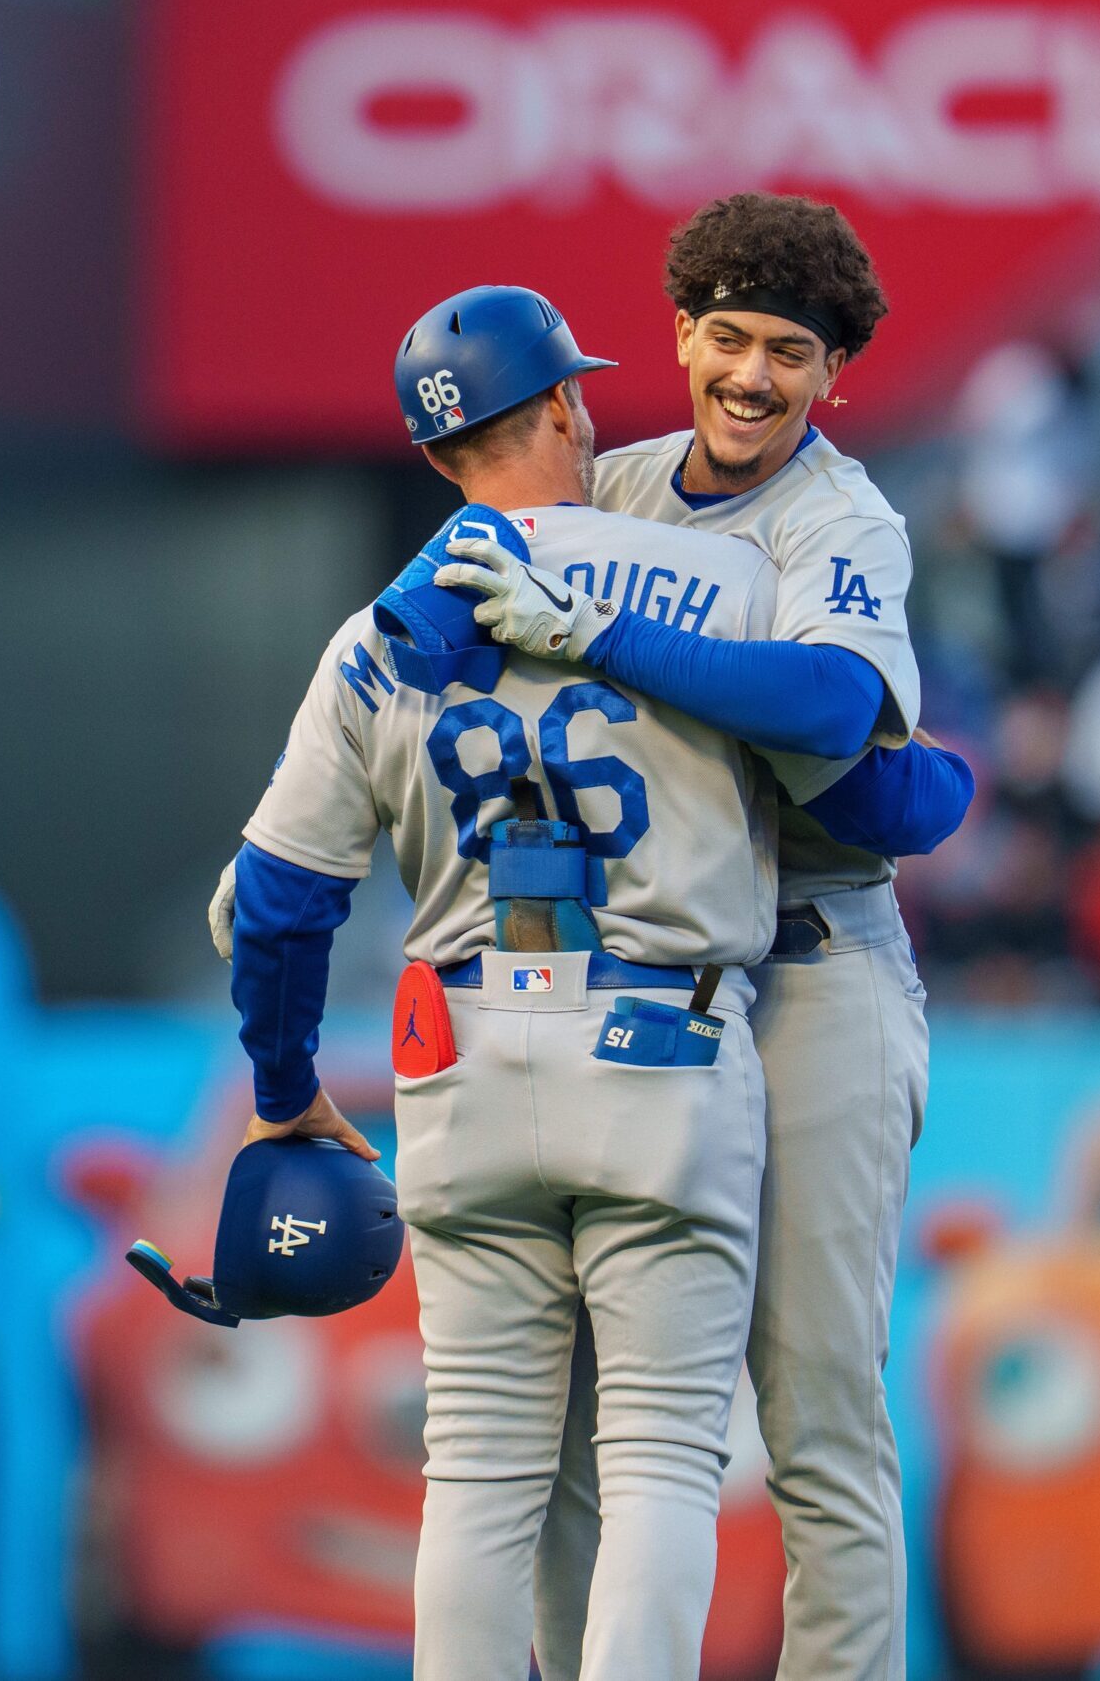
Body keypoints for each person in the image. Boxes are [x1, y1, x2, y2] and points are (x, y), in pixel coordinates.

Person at [221, 285, 783, 1680]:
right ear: (559, 410)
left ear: (433, 454)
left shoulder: (374, 638)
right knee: (658, 1459)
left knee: (478, 1472)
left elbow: (280, 907)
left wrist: (287, 1092)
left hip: (463, 1052)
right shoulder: (718, 583)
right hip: (666, 1035)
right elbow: (866, 785)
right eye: (574, 399)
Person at [441, 193, 948, 1681]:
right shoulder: (621, 485)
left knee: (815, 1405)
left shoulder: (842, 519)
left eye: (790, 352)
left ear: (833, 373)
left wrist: (598, 638)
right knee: (581, 1411)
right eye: (726, 337)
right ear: (678, 334)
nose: (750, 377)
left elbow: (828, 713)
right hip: (625, 980)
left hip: (811, 968)